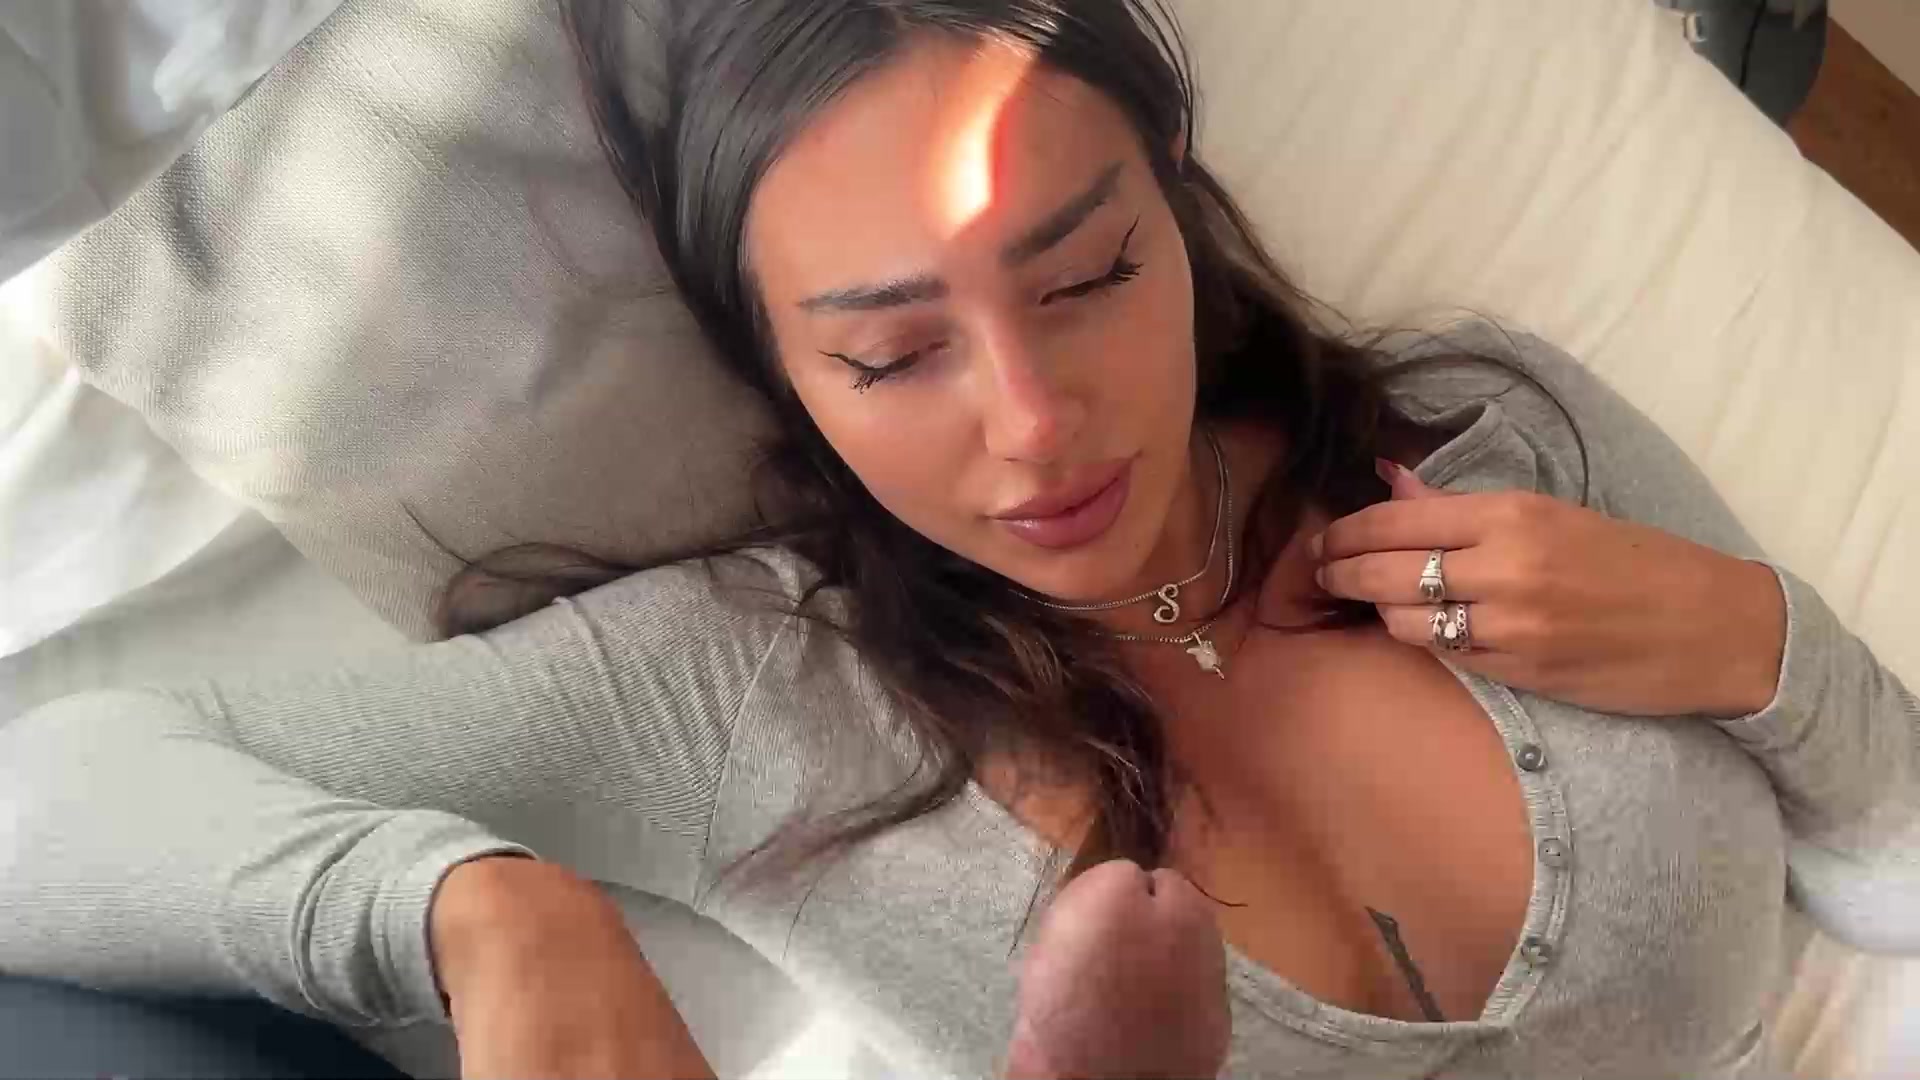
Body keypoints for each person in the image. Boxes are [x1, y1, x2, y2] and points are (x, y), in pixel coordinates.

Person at [2, 0, 1916, 1077]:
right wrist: (468, 908)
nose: (1035, 425)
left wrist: (1762, 643)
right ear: (783, 374)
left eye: (1087, 277)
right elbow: (43, 801)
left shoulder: (1488, 426)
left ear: (1177, 207)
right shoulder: (739, 690)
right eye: (893, 353)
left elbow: (1900, 856)